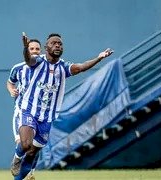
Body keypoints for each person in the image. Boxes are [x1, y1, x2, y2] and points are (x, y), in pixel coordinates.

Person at [11, 32, 113, 180]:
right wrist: (25, 48)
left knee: (33, 152)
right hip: (30, 110)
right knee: (25, 144)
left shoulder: (63, 67)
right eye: (54, 43)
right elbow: (28, 60)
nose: (57, 45)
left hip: (47, 116)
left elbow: (81, 67)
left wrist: (99, 57)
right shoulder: (38, 62)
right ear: (46, 47)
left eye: (60, 43)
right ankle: (17, 157)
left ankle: (19, 179)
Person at [7, 39, 42, 180]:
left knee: (35, 147)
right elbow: (10, 82)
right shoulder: (18, 68)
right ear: (27, 50)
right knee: (24, 144)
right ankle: (17, 162)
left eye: (37, 49)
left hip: (39, 114)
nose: (34, 51)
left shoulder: (45, 67)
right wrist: (11, 90)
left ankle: (30, 173)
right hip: (22, 111)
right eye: (31, 48)